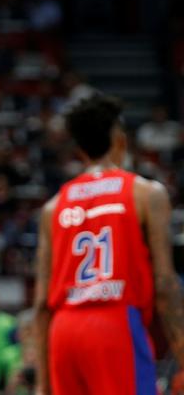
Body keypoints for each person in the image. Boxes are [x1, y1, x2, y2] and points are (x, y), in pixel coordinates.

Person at [33, 94, 184, 394]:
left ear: (79, 149)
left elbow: (41, 304)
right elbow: (165, 283)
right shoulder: (146, 193)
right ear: (119, 139)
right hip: (114, 323)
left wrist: (41, 383)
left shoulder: (54, 206)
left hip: (64, 330)